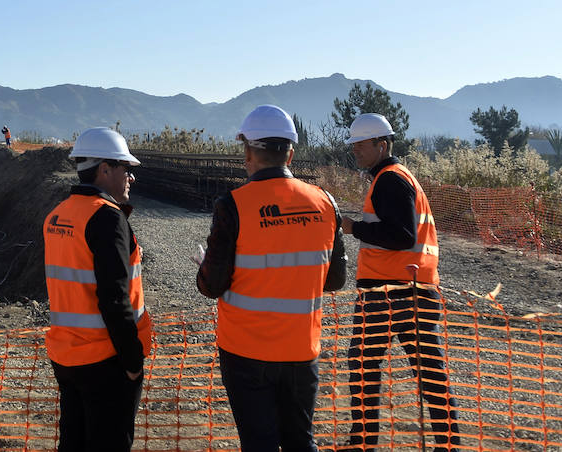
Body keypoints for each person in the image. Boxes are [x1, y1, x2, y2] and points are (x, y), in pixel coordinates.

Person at [195, 105, 347, 452]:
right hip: (301, 350)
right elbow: (335, 279)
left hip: (245, 353)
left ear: (248, 152)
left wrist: (205, 268)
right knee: (300, 441)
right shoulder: (324, 202)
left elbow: (212, 285)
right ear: (290, 153)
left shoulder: (232, 205)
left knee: (259, 443)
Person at [336, 113, 456, 452]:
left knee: (362, 365)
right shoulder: (398, 178)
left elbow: (402, 236)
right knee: (429, 371)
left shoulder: (390, 179)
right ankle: (449, 446)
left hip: (391, 292)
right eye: (354, 145)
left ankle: (362, 444)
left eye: (361, 145)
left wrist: (352, 227)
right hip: (413, 288)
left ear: (382, 144)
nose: (355, 151)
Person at [44, 126, 154, 452]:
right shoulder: (107, 218)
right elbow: (114, 298)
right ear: (105, 169)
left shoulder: (58, 216)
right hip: (105, 360)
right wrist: (133, 362)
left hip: (66, 357)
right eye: (126, 169)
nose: (131, 177)